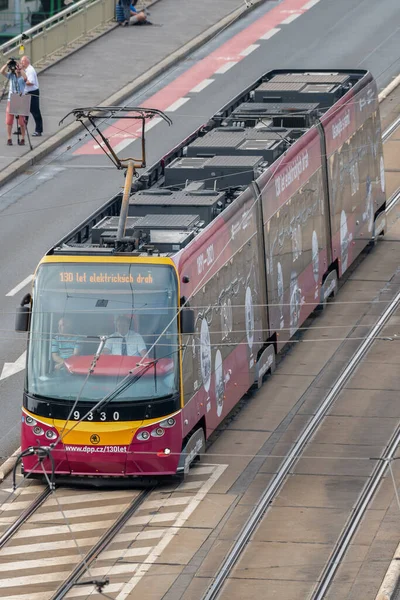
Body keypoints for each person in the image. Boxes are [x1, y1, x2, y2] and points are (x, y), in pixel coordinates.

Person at [0, 59, 27, 146]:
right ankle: (9, 138)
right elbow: (2, 72)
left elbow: (26, 78)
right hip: (11, 99)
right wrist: (7, 64)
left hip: (20, 99)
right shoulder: (11, 76)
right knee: (9, 121)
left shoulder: (22, 77)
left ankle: (23, 138)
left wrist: (20, 69)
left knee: (21, 122)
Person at [20, 56, 43, 137]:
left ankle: (39, 130)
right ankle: (22, 128)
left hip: (33, 92)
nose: (21, 63)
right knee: (24, 112)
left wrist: (21, 82)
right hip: (26, 92)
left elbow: (31, 82)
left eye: (23, 61)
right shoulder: (24, 70)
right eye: (21, 61)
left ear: (27, 61)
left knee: (35, 112)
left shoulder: (30, 70)